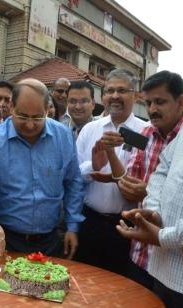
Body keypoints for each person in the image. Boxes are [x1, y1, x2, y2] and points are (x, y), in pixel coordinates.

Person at [0, 78, 84, 259]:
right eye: (23, 116)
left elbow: (73, 182)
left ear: (47, 110)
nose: (29, 124)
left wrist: (73, 225)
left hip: (50, 241)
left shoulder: (63, 136)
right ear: (11, 107)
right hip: (5, 239)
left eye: (37, 117)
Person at [92, 70, 183, 289]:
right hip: (140, 254)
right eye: (149, 102)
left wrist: (148, 192)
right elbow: (126, 184)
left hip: (174, 261)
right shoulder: (145, 135)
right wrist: (111, 152)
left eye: (160, 102)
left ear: (180, 102)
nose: (152, 109)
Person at [75, 69, 148, 276]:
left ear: (135, 95)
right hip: (90, 222)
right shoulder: (89, 130)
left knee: (120, 287)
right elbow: (73, 176)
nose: (115, 96)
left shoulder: (146, 132)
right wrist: (93, 167)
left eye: (122, 90)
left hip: (126, 226)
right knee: (87, 281)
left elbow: (143, 182)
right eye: (110, 91)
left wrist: (115, 179)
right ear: (103, 96)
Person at [117, 126, 183, 307]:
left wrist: (161, 235)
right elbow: (162, 171)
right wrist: (155, 213)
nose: (152, 108)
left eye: (159, 101)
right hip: (162, 272)